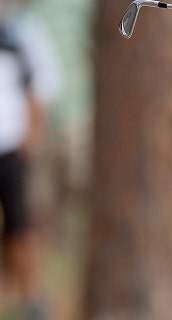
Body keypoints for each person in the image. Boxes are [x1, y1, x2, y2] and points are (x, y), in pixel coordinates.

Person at [1, 1, 60, 318]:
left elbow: (41, 87)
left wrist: (31, 135)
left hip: (11, 147)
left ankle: (30, 299)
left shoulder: (21, 32)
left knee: (20, 225)